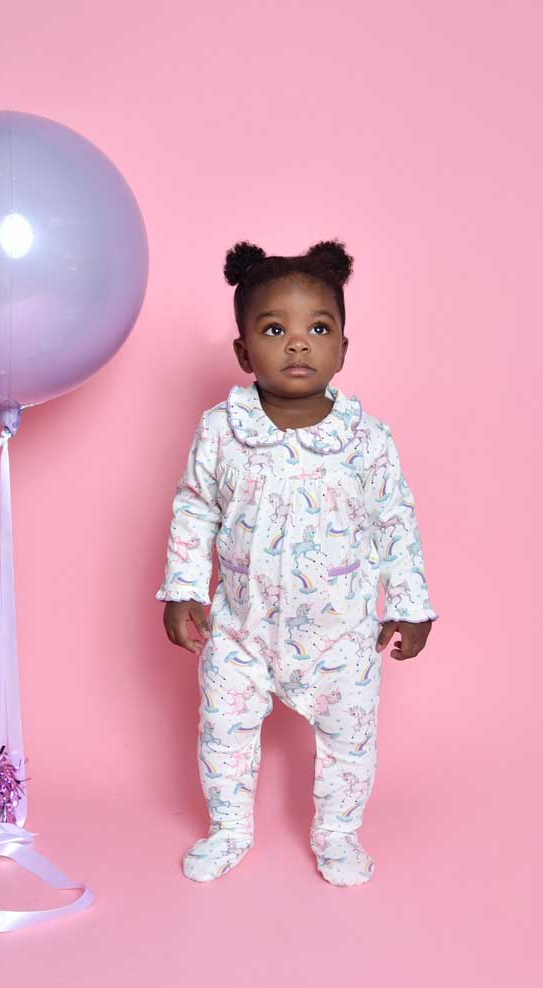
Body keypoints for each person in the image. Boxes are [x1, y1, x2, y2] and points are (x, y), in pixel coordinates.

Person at [156, 239, 439, 886]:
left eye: (318, 329)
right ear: (242, 352)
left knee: (349, 740)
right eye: (274, 330)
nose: (298, 345)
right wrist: (182, 588)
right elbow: (195, 508)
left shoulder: (366, 440)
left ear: (343, 347)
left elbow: (394, 521)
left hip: (339, 636)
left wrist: (410, 605)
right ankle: (230, 828)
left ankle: (337, 833)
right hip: (242, 629)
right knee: (223, 731)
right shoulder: (222, 431)